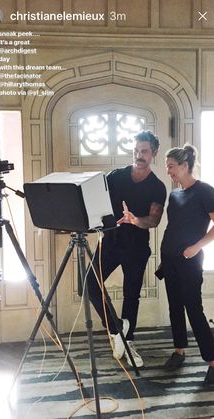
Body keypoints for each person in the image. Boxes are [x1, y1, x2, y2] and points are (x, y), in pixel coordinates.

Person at [87, 130, 166, 367]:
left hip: (136, 247)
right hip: (110, 242)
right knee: (89, 283)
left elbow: (154, 221)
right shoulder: (115, 176)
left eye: (144, 151)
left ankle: (128, 341)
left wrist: (135, 220)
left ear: (154, 153)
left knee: (132, 295)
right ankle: (116, 329)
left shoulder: (157, 187)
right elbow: (96, 201)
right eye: (136, 150)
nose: (139, 155)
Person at [160, 144, 214, 387]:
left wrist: (196, 247)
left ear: (184, 166)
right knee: (174, 306)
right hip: (170, 259)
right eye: (167, 167)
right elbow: (175, 227)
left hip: (190, 261)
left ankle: (212, 361)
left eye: (171, 166)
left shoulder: (204, 191)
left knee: (194, 309)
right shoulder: (175, 194)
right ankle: (179, 351)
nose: (168, 171)